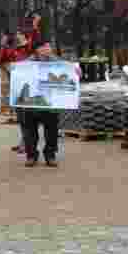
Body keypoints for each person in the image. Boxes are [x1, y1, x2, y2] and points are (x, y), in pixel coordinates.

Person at [21, 40, 79, 168]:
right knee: (30, 132)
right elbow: (18, 75)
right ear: (38, 49)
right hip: (32, 104)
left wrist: (75, 71)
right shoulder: (27, 63)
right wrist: (14, 70)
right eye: (46, 46)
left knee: (51, 131)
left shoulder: (57, 62)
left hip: (50, 104)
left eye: (49, 46)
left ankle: (50, 155)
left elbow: (70, 70)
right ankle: (31, 156)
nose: (49, 49)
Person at [0, 29, 33, 153]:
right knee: (21, 117)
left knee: (27, 118)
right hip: (16, 88)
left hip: (28, 88)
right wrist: (3, 45)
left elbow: (33, 40)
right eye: (16, 34)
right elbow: (1, 60)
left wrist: (34, 27)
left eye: (20, 34)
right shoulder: (12, 50)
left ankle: (26, 144)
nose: (17, 36)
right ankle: (23, 142)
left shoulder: (29, 49)